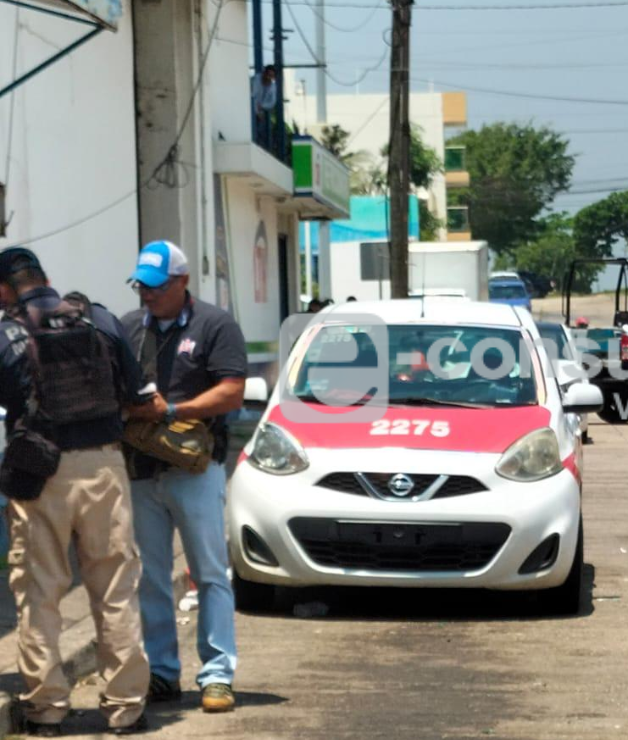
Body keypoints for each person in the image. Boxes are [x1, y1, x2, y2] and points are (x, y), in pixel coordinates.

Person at [0, 247, 152, 736]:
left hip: (38, 473)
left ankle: (46, 709)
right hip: (104, 467)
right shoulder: (100, 319)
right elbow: (137, 393)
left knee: (39, 592)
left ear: (5, 289)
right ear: (44, 277)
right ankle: (125, 707)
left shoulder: (6, 333)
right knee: (115, 589)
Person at [121, 241, 247, 711]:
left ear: (182, 282)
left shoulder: (215, 325)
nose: (147, 295)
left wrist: (172, 409)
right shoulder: (131, 327)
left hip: (196, 471)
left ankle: (217, 675)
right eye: (141, 286)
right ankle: (162, 673)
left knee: (209, 573)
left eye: (156, 286)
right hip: (141, 471)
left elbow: (232, 392)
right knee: (151, 576)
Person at [250, 66, 277, 149]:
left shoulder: (272, 87)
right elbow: (252, 96)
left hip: (261, 112)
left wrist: (262, 106)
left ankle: (263, 147)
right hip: (251, 111)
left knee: (264, 130)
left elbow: (272, 102)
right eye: (268, 75)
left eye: (271, 76)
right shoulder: (255, 80)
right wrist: (256, 111)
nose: (269, 78)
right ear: (264, 73)